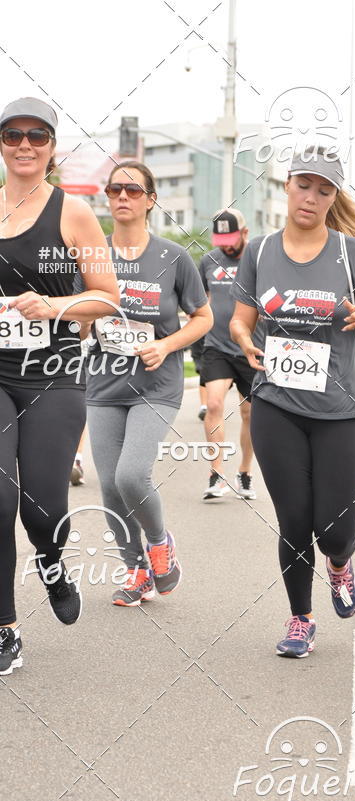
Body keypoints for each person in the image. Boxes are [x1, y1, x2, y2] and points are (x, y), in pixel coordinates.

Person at [230, 147, 355, 657]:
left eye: (324, 190)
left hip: (340, 408)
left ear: (334, 197)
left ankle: (340, 564)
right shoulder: (260, 250)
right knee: (295, 521)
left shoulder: (352, 253)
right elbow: (241, 317)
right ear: (286, 185)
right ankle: (301, 618)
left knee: (335, 531)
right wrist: (244, 340)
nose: (311, 197)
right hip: (277, 403)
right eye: (304, 185)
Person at [0, 97, 120, 676]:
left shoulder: (72, 213)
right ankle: (6, 626)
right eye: (12, 134)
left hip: (53, 375)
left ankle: (50, 558)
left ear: (52, 147)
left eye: (37, 136)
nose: (24, 145)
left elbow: (108, 298)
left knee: (40, 507)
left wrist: (55, 305)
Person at [81, 161, 212, 606]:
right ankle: (135, 570)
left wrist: (168, 344)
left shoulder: (173, 257)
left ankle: (159, 543)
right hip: (102, 383)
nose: (122, 197)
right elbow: (79, 316)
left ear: (151, 200)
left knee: (131, 474)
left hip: (156, 384)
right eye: (115, 189)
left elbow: (203, 318)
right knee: (108, 484)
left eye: (133, 191)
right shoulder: (93, 254)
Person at [200, 209, 257, 500]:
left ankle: (244, 473)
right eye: (221, 239)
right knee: (213, 404)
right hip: (217, 345)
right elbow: (200, 300)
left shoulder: (258, 258)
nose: (226, 245)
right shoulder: (209, 261)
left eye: (231, 239)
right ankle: (217, 473)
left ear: (245, 233)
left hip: (249, 348)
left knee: (249, 413)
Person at [190, 334, 208, 420]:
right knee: (203, 373)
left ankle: (212, 405)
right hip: (199, 343)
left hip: (217, 346)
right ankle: (204, 406)